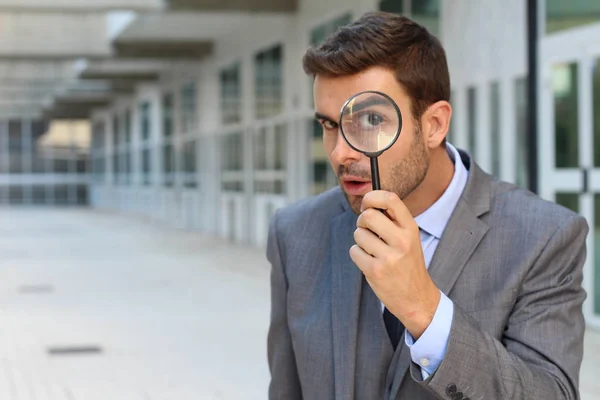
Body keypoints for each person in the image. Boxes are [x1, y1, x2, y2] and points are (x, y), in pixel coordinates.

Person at [266, 11, 588, 400]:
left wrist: (425, 309)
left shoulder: (544, 237)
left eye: (370, 119)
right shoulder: (295, 232)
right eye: (329, 125)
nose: (340, 152)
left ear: (434, 124)